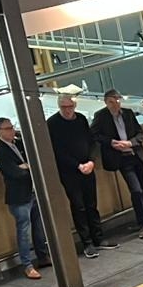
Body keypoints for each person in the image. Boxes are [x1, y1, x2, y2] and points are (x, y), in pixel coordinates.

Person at [47, 94, 110, 259]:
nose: (67, 110)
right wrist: (77, 165)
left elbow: (91, 142)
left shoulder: (81, 119)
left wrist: (91, 161)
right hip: (70, 172)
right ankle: (87, 243)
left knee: (91, 204)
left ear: (75, 106)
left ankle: (98, 238)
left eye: (70, 107)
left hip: (87, 167)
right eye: (64, 107)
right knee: (78, 206)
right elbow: (57, 151)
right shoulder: (52, 123)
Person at [0, 119, 50, 280]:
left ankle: (43, 256)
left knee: (38, 226)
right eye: (7, 128)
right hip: (19, 196)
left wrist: (26, 166)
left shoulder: (20, 143)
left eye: (12, 127)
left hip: (33, 191)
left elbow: (35, 160)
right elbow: (14, 173)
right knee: (23, 231)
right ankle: (27, 265)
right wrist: (26, 167)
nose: (12, 131)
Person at [90, 89, 143, 238]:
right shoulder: (101, 116)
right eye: (111, 102)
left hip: (136, 155)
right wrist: (111, 142)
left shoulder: (128, 113)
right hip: (122, 159)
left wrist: (130, 143)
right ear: (106, 102)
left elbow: (141, 133)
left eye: (117, 101)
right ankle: (142, 223)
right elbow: (94, 134)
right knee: (136, 190)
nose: (115, 104)